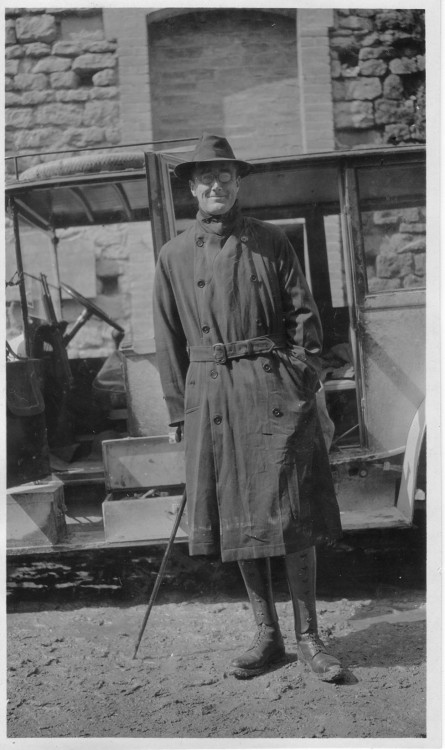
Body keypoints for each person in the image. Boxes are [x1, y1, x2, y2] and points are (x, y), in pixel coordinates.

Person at [153, 132, 344, 682]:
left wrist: (298, 381)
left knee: (290, 512)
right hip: (211, 396)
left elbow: (305, 322)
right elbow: (168, 338)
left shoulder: (272, 242)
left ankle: (310, 638)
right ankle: (267, 636)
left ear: (238, 183)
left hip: (273, 392)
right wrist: (175, 411)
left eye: (226, 176)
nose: (216, 184)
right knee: (239, 517)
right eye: (206, 177)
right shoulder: (172, 255)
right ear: (192, 187)